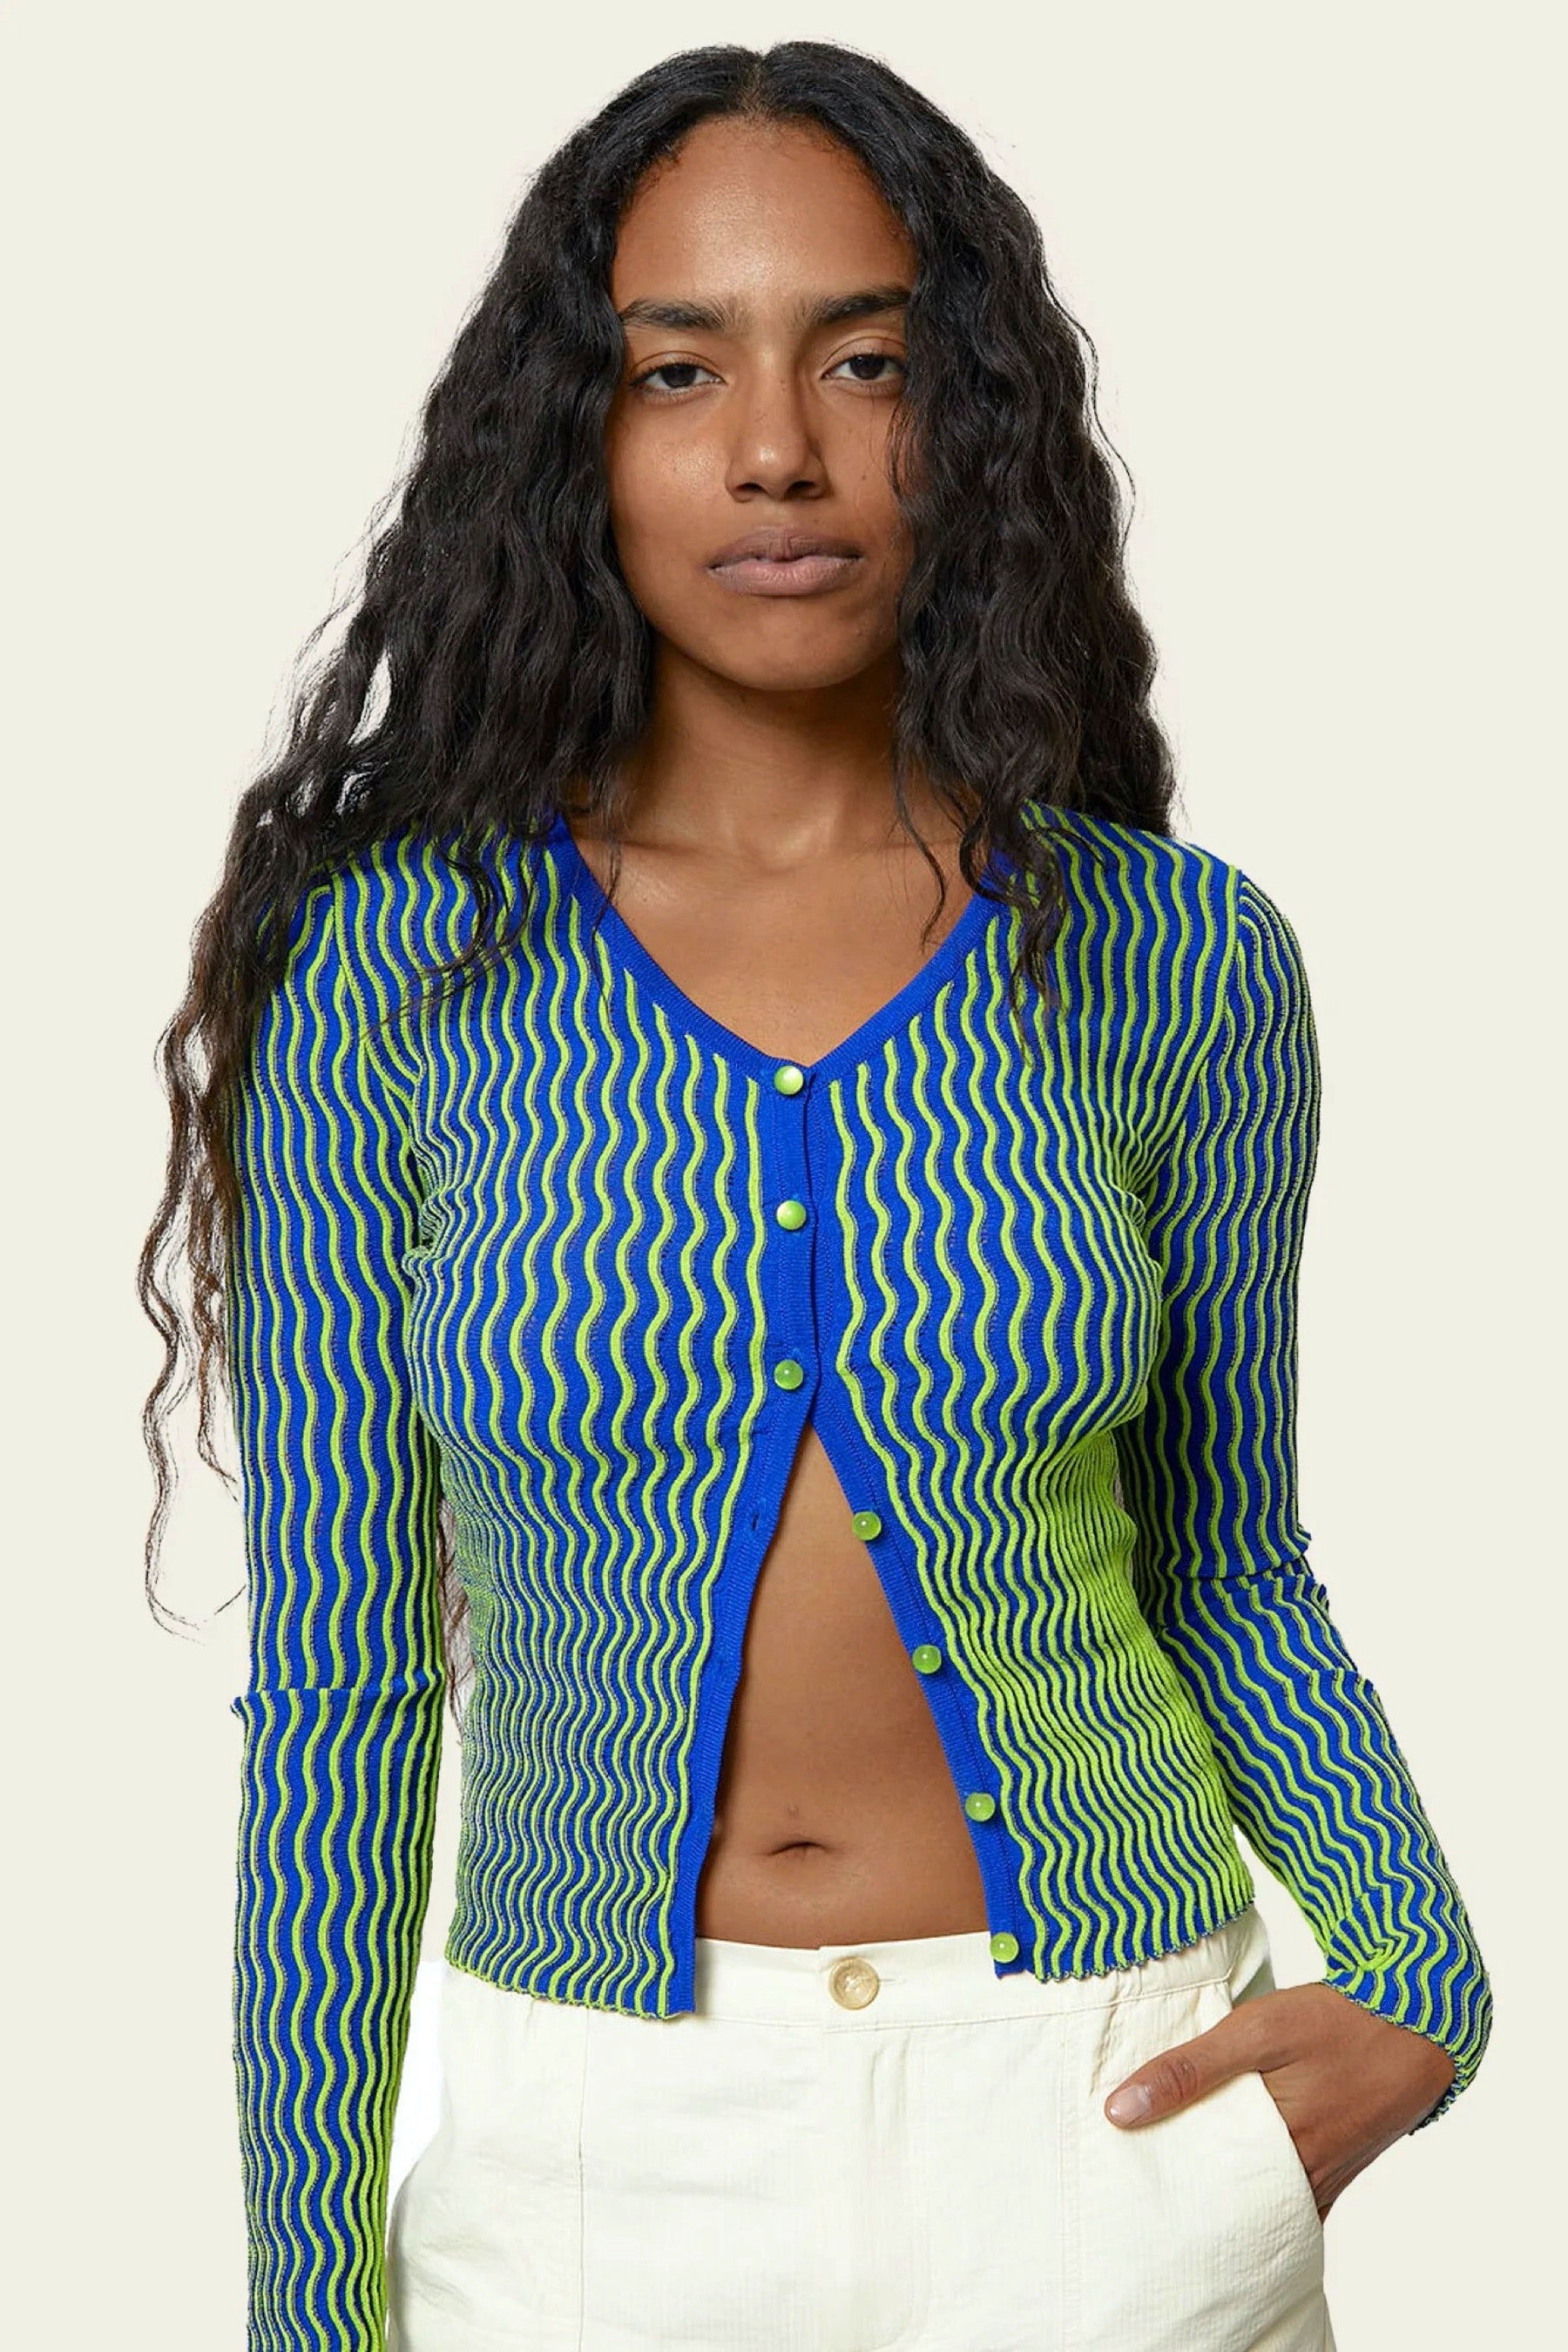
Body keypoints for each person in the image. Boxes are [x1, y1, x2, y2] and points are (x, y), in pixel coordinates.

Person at [139, 38, 1491, 2352]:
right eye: (679, 368)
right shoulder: (400, 971)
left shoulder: (1176, 961)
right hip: (592, 2165)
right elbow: (345, 1689)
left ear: (973, 417)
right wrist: (306, 2297)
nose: (778, 446)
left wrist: (1422, 1983)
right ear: (574, 437)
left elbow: (1230, 1564)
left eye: (866, 360)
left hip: (1110, 2118)